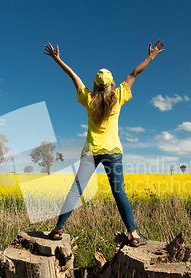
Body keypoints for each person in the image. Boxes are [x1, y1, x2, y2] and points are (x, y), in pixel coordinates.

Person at [43, 40, 164, 247]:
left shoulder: (88, 99)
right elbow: (134, 74)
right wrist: (151, 57)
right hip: (113, 152)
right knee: (119, 192)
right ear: (111, 84)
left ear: (95, 84)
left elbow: (73, 76)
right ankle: (134, 234)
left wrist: (57, 59)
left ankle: (57, 229)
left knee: (76, 190)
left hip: (90, 151)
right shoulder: (118, 96)